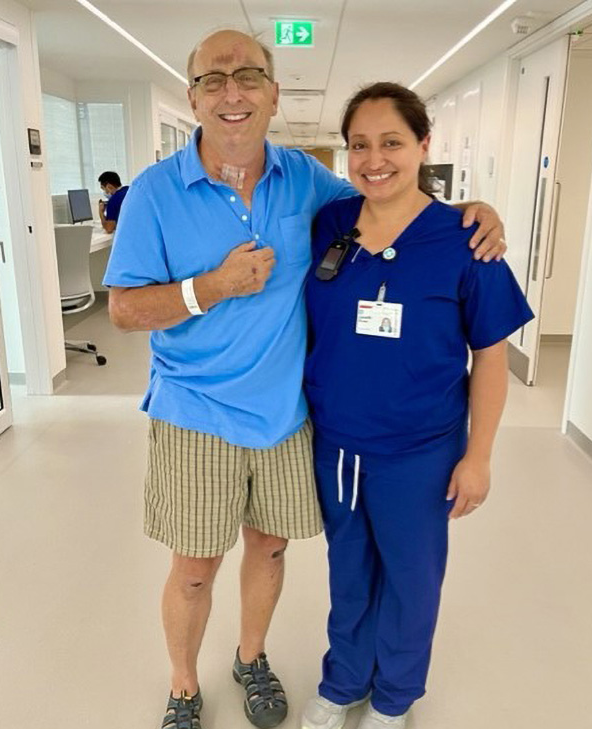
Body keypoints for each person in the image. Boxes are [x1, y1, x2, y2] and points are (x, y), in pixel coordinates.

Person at [102, 30, 507, 729]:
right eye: (215, 79)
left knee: (272, 546)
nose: (234, 92)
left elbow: (387, 197)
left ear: (272, 94)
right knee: (196, 567)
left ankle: (252, 659)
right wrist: (209, 287)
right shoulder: (154, 195)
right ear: (193, 95)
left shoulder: (309, 184)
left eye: (250, 76)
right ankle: (183, 686)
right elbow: (124, 309)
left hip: (292, 418)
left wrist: (476, 209)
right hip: (198, 412)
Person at [298, 82, 532, 729]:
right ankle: (344, 681)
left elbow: (490, 354)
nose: (376, 159)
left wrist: (478, 456)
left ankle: (394, 698)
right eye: (360, 145)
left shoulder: (465, 241)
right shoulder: (332, 225)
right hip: (338, 443)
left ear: (424, 145)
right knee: (349, 573)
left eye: (392, 142)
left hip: (419, 453)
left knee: (410, 579)